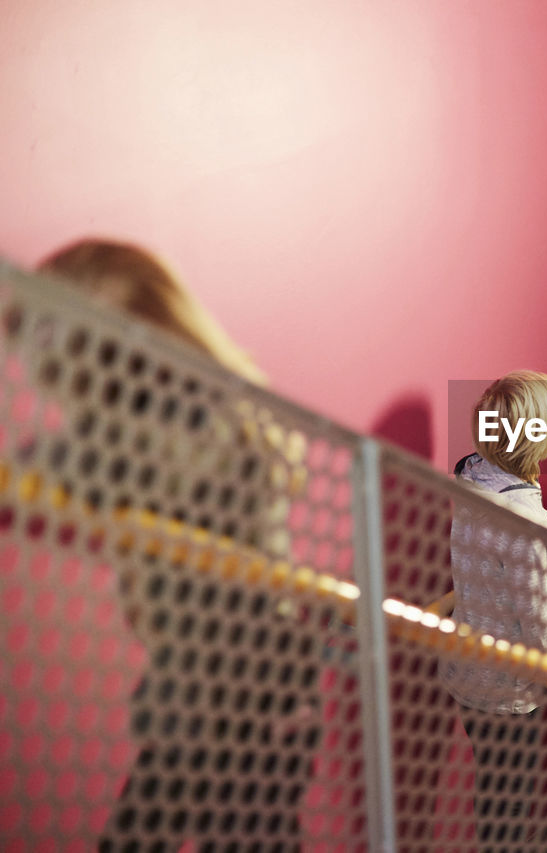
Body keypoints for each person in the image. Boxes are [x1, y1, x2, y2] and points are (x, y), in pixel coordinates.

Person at [36, 238, 317, 851]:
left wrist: (41, 464)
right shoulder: (127, 416)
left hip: (255, 686)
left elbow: (164, 461)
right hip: (192, 688)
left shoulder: (201, 408)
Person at [442, 370, 547, 851]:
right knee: (508, 811)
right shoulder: (528, 523)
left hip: (464, 672)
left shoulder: (468, 477)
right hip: (506, 691)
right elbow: (540, 626)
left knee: (492, 795)